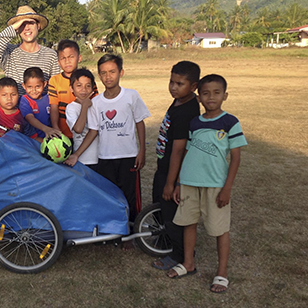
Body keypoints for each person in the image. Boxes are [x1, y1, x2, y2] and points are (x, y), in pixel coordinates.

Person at [167, 74, 246, 294]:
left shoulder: (230, 122)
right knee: (188, 223)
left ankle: (222, 273)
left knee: (220, 229)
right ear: (199, 97)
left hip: (215, 186)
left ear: (225, 95)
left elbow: (236, 158)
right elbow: (189, 153)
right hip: (190, 183)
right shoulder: (195, 122)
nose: (211, 97)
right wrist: (180, 183)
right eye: (206, 93)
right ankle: (188, 263)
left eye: (216, 92)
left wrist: (227, 188)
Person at [150, 61, 201, 272]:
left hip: (173, 172)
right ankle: (166, 242)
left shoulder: (186, 111)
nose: (173, 87)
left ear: (193, 86)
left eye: (180, 83)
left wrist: (172, 183)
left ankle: (178, 255)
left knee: (171, 214)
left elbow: (179, 151)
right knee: (160, 207)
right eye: (171, 81)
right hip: (163, 167)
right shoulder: (179, 102)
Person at [94, 54, 150, 227]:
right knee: (109, 195)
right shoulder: (96, 102)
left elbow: (139, 122)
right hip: (105, 157)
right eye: (103, 73)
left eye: (112, 71)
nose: (108, 76)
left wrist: (142, 150)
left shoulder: (131, 96)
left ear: (121, 72)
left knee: (130, 196)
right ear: (99, 75)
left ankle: (132, 231)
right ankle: (114, 229)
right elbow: (94, 131)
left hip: (128, 156)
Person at [0, 6, 59, 96]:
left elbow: (56, 86)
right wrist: (13, 28)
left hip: (41, 108)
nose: (27, 28)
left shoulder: (50, 55)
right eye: (22, 25)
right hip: (15, 107)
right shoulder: (9, 52)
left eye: (31, 23)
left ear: (38, 26)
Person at [48, 39, 93, 138]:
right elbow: (54, 108)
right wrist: (55, 127)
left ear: (79, 58)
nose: (67, 61)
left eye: (71, 57)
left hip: (85, 132)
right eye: (63, 58)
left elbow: (94, 103)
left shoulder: (87, 79)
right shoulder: (54, 81)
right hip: (64, 133)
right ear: (58, 62)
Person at [63, 68, 101, 169]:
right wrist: (84, 107)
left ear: (92, 88)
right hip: (82, 159)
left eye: (88, 86)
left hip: (99, 156)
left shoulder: (96, 105)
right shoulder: (71, 107)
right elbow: (78, 129)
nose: (83, 90)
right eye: (79, 86)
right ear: (71, 88)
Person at [18, 67, 61, 141]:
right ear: (23, 86)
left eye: (38, 86)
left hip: (50, 137)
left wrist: (55, 128)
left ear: (44, 84)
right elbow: (30, 118)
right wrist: (46, 129)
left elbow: (55, 112)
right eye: (29, 87)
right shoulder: (24, 100)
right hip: (33, 141)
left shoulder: (49, 98)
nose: (34, 90)